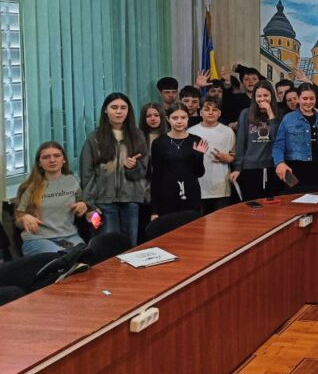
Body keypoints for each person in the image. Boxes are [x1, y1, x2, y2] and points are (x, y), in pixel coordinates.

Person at [81, 93, 150, 246]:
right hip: (103, 202)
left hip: (131, 199)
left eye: (123, 108)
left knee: (130, 246)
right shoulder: (94, 138)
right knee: (108, 247)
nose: (119, 111)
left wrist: (132, 167)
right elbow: (87, 174)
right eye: (114, 107)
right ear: (106, 110)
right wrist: (90, 205)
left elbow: (143, 171)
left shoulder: (138, 135)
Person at [15, 142, 88, 255]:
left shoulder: (73, 181)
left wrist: (82, 205)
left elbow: (80, 204)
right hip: (38, 239)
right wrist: (25, 218)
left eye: (57, 155)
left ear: (64, 160)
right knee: (62, 258)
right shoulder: (29, 186)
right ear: (39, 163)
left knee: (86, 256)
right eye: (46, 157)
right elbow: (18, 222)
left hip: (69, 236)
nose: (52, 160)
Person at [273, 83, 318, 191]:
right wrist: (279, 163)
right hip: (295, 172)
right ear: (298, 98)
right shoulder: (288, 119)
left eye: (312, 98)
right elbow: (278, 145)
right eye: (305, 98)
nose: (308, 102)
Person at [150, 102, 208, 218]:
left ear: (188, 118)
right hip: (167, 195)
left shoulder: (196, 140)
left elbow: (199, 173)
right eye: (175, 118)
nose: (179, 121)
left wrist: (199, 156)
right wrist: (154, 210)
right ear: (168, 119)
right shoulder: (159, 143)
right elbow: (156, 176)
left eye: (183, 117)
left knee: (192, 226)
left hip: (191, 194)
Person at [230, 80, 281, 202]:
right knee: (252, 204)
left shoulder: (279, 113)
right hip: (250, 167)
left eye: (266, 95)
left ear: (272, 96)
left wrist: (270, 113)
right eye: (259, 96)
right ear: (254, 97)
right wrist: (237, 168)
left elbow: (278, 139)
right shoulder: (245, 113)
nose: (262, 99)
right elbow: (241, 142)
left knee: (272, 205)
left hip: (272, 166)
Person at [188, 99, 235, 214]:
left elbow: (234, 154)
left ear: (219, 113)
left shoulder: (228, 131)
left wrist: (229, 158)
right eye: (206, 109)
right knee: (200, 221)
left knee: (221, 221)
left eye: (214, 110)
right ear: (200, 112)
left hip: (221, 186)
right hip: (199, 185)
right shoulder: (191, 132)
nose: (210, 112)